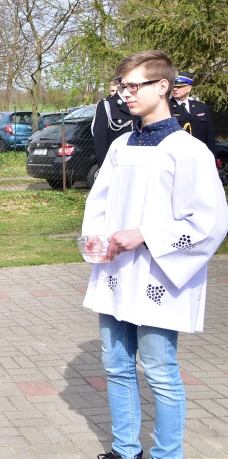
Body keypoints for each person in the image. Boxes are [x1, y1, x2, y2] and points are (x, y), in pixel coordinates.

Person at [80, 51, 228, 459]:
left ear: (162, 86)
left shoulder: (188, 149)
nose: (125, 93)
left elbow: (209, 221)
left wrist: (145, 234)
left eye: (134, 85)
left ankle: (167, 454)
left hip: (158, 275)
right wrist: (97, 242)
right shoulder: (122, 145)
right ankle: (125, 449)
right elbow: (99, 202)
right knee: (116, 366)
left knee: (161, 372)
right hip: (115, 272)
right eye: (123, 86)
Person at [169, 71, 217, 155]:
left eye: (179, 86)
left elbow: (209, 137)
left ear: (189, 88)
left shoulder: (201, 107)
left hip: (199, 155)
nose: (175, 89)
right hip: (176, 155)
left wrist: (213, 161)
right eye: (173, 86)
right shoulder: (165, 106)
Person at [93, 79, 135, 166]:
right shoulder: (107, 104)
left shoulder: (139, 102)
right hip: (117, 162)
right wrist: (104, 165)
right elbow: (100, 138)